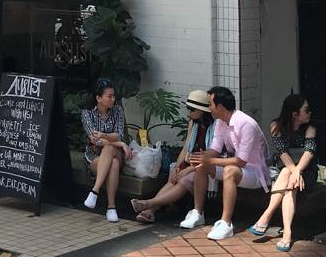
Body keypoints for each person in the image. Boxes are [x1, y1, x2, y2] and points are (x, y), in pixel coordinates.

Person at [180, 85, 270, 241]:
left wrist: (209, 159)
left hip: (256, 173)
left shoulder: (246, 124)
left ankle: (226, 223)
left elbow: (240, 161)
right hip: (238, 169)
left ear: (220, 106)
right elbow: (215, 149)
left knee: (229, 170)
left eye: (210, 104)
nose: (208, 108)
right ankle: (198, 213)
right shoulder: (220, 122)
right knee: (202, 165)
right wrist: (200, 157)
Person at [130, 89, 217, 224]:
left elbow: (212, 154)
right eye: (188, 108)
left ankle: (149, 204)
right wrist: (177, 166)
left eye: (192, 109)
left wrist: (188, 169)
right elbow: (186, 147)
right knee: (174, 178)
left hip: (204, 165)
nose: (189, 112)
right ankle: (151, 211)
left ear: (202, 110)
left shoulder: (215, 126)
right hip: (191, 161)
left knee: (185, 179)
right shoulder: (193, 123)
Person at [248, 93, 318, 251]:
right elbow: (282, 152)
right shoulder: (276, 126)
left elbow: (309, 152)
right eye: (306, 110)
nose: (309, 113)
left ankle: (265, 217)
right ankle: (287, 233)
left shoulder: (310, 127)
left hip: (307, 171)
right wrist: (294, 172)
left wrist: (297, 171)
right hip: (287, 171)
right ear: (294, 113)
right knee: (287, 177)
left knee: (288, 175)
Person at [80, 77, 131, 223]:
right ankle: (111, 207)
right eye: (109, 96)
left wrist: (105, 136)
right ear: (98, 98)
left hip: (115, 153)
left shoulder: (118, 111)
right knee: (113, 164)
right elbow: (95, 140)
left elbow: (119, 134)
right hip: (94, 156)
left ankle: (94, 191)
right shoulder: (87, 113)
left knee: (109, 148)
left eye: (114, 96)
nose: (113, 99)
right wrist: (120, 144)